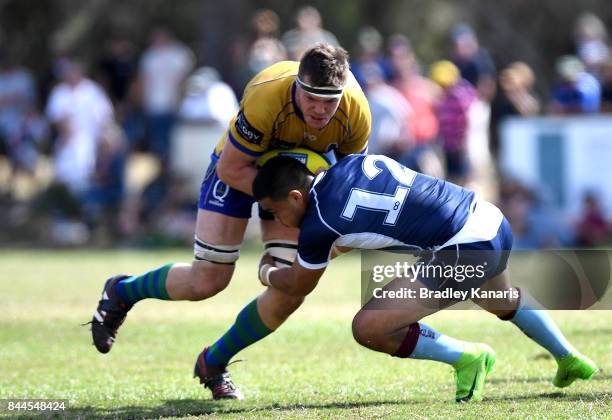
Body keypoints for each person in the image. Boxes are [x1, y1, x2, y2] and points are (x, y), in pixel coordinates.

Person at [89, 43, 371, 399]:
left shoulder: (356, 112)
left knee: (292, 287)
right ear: (298, 85)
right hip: (243, 170)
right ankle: (121, 291)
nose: (320, 109)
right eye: (312, 97)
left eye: (329, 100)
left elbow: (350, 182)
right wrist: (280, 203)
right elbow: (230, 168)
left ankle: (214, 361)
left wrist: (331, 232)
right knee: (207, 280)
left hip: (296, 182)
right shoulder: (269, 96)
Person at [252, 154, 598, 402]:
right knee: (500, 300)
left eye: (276, 211)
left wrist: (266, 271)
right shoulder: (350, 163)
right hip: (488, 216)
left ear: (296, 196)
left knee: (369, 327)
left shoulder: (317, 225)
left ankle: (468, 357)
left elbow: (298, 284)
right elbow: (364, 224)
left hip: (465, 245)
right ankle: (569, 358)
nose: (280, 221)